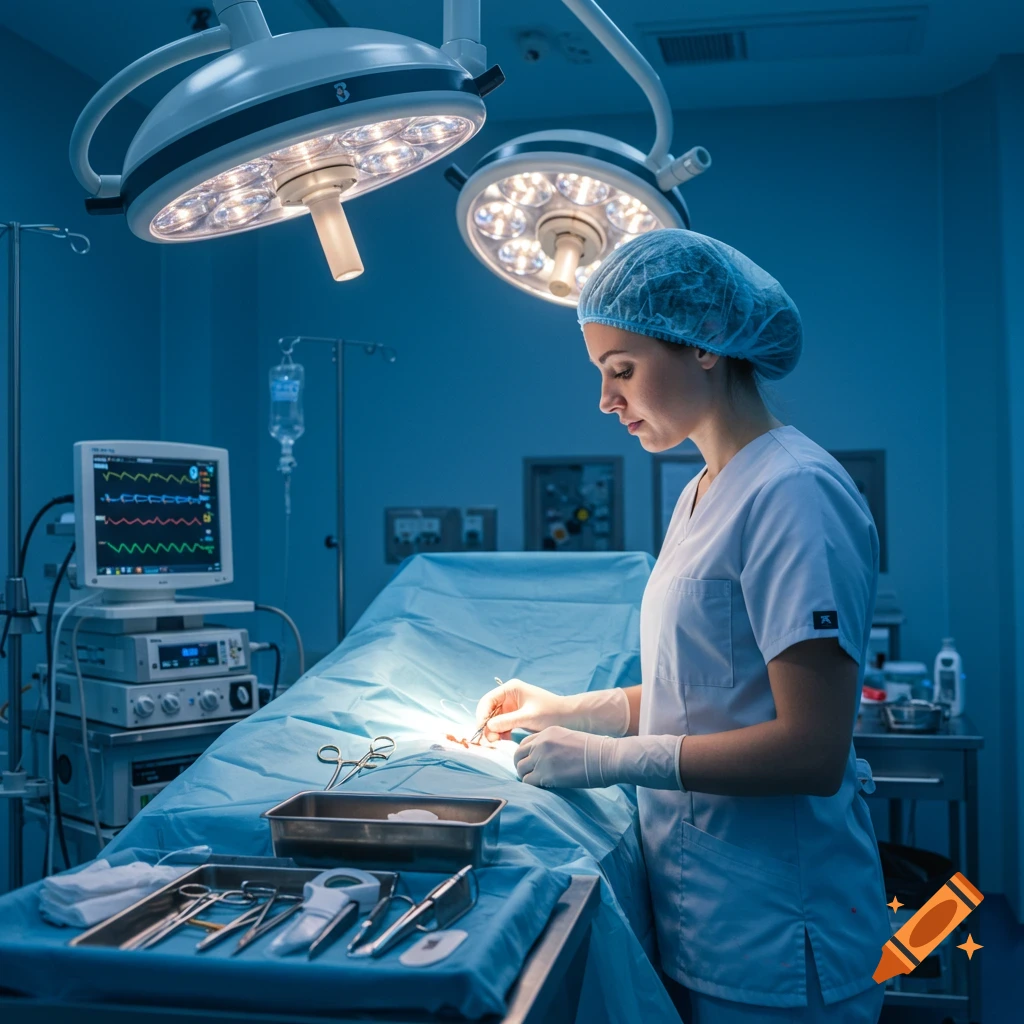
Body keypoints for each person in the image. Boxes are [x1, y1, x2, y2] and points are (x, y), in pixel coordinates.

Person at [475, 230, 888, 1023]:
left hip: (780, 931)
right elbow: (704, 691)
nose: (606, 401)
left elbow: (811, 749)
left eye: (621, 370)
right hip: (705, 916)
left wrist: (604, 759)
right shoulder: (702, 492)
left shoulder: (793, 492)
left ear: (703, 345)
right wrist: (565, 709)